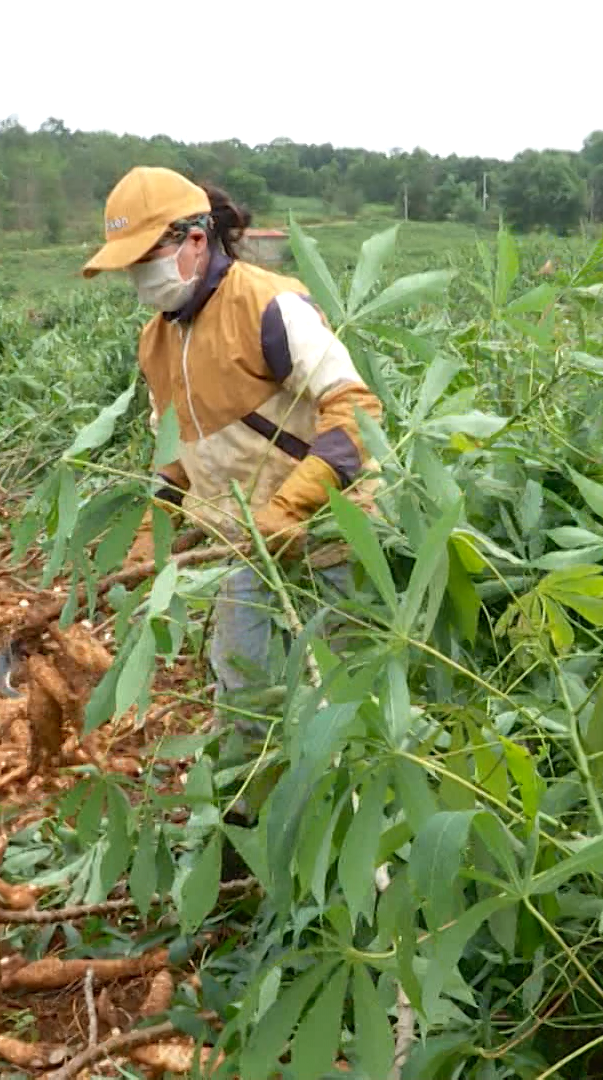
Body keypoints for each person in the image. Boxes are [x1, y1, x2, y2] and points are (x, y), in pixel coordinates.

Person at [81, 166, 380, 732]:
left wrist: (291, 507)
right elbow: (176, 455)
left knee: (344, 688)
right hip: (240, 545)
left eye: (146, 261)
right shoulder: (158, 341)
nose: (141, 280)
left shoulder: (269, 305)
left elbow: (355, 411)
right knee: (245, 689)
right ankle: (249, 810)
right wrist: (152, 530)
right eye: (132, 269)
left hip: (327, 533)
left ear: (195, 239)